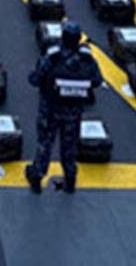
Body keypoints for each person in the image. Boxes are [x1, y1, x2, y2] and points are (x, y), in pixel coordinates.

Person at [25, 21, 102, 194]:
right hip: (73, 112)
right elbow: (97, 80)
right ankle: (70, 179)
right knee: (69, 147)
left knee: (45, 144)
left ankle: (37, 177)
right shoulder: (86, 59)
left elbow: (34, 79)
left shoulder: (53, 57)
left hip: (50, 110)